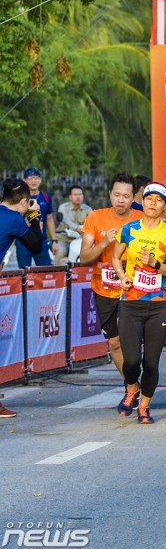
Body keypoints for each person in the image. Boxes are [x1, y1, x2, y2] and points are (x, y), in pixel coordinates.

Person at [110, 183, 166, 424]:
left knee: (151, 362)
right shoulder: (129, 229)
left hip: (157, 304)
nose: (153, 203)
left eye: (158, 200)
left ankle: (144, 407)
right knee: (131, 360)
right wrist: (122, 276)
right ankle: (132, 387)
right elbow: (115, 257)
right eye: (149, 198)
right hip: (130, 303)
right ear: (142, 202)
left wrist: (154, 263)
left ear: (164, 205)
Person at [78, 173, 136, 394]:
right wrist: (104, 242)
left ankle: (133, 386)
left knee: (130, 341)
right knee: (114, 343)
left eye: (126, 196)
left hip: (132, 290)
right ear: (110, 194)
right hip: (103, 290)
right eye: (117, 195)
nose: (121, 200)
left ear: (133, 198)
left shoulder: (141, 219)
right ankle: (132, 385)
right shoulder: (95, 217)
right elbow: (84, 257)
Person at [0, 179, 43, 418]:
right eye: (29, 203)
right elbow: (36, 246)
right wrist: (35, 216)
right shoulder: (15, 219)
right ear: (25, 201)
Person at [18, 167, 55, 266]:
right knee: (23, 274)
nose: (33, 180)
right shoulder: (19, 197)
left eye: (36, 177)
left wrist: (54, 240)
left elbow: (50, 219)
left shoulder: (46, 196)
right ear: (24, 181)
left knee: (45, 272)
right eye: (30, 178)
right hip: (23, 240)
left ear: (41, 180)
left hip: (41, 240)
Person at [56, 185, 91, 264]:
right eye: (75, 195)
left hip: (79, 240)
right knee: (61, 252)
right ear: (70, 197)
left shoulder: (88, 209)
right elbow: (67, 222)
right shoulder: (63, 208)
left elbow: (93, 223)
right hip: (63, 239)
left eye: (80, 194)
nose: (78, 197)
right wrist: (78, 228)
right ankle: (56, 274)